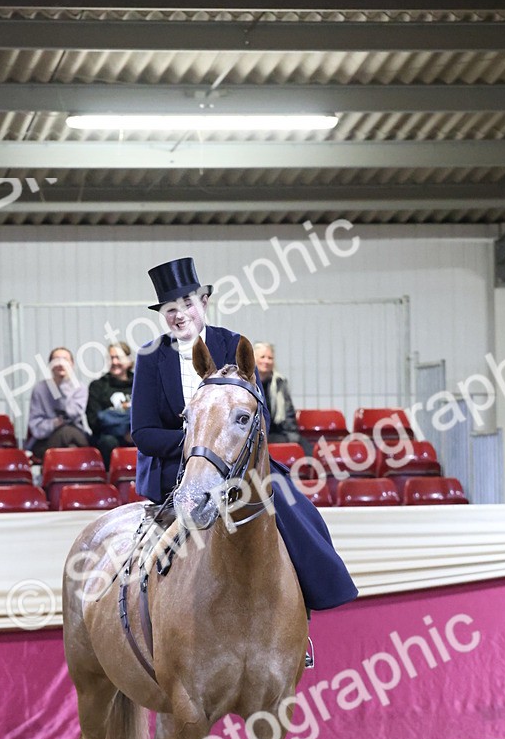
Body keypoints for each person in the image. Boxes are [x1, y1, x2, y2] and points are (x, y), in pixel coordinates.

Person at [130, 256, 357, 614]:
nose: (179, 315)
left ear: (203, 303)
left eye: (187, 304)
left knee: (296, 507)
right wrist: (200, 445)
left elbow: (259, 415)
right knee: (146, 558)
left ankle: (310, 604)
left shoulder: (234, 344)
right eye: (170, 308)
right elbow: (142, 433)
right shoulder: (150, 356)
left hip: (236, 466)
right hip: (175, 471)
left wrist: (222, 445)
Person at [25, 346, 90, 461]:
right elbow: (36, 427)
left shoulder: (80, 388)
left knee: (70, 441)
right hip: (46, 440)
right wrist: (54, 423)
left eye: (65, 360)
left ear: (72, 364)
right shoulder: (40, 389)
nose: (61, 364)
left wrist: (62, 386)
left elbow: (73, 413)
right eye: (56, 360)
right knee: (69, 437)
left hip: (74, 434)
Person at [86, 341, 134, 468]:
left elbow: (148, 414)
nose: (114, 362)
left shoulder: (140, 383)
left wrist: (111, 416)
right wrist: (124, 429)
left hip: (135, 434)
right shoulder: (98, 386)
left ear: (129, 360)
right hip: (108, 437)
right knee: (107, 442)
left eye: (118, 358)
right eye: (111, 358)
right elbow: (94, 422)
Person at [254, 342, 300, 444]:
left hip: (277, 433)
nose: (266, 361)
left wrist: (293, 438)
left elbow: (288, 414)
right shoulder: (246, 383)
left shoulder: (280, 383)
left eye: (270, 358)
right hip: (254, 434)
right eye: (263, 357)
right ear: (254, 359)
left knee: (306, 449)